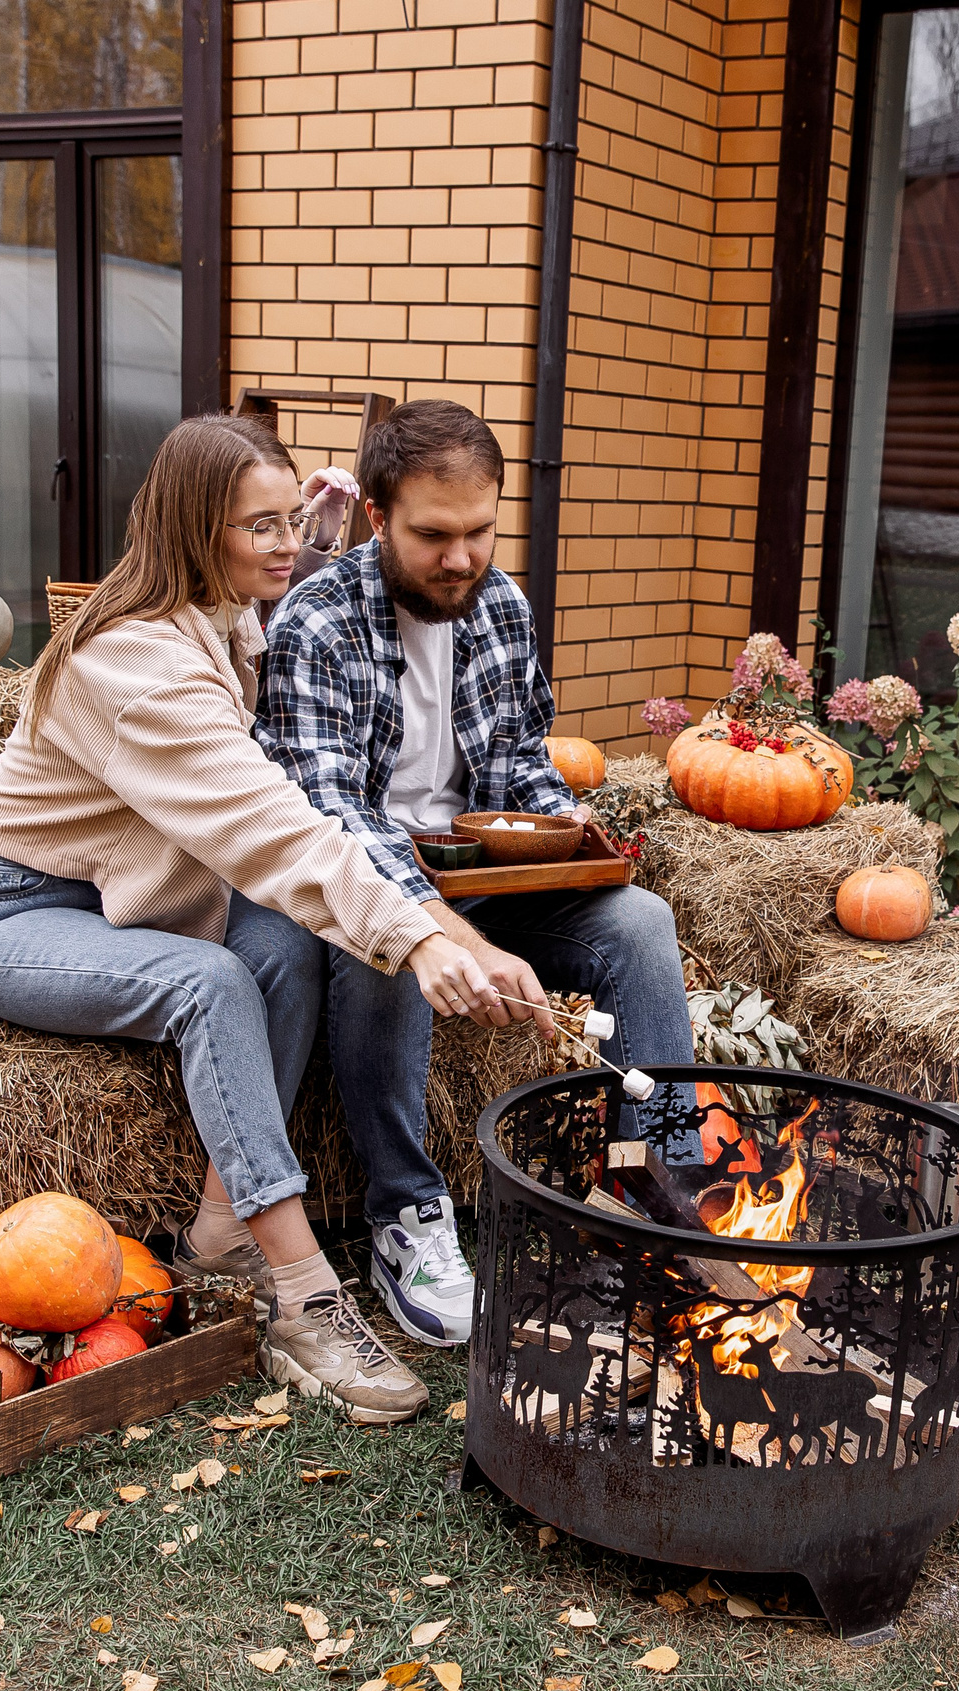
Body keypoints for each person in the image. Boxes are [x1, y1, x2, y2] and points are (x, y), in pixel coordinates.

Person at [0, 412, 517, 1426]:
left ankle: (218, 1234)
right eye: (261, 526)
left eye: (294, 519)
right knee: (212, 982)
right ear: (195, 529)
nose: (289, 545)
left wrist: (308, 524)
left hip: (131, 892)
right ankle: (301, 1296)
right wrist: (422, 933)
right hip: (21, 913)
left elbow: (289, 562)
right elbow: (273, 832)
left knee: (287, 940)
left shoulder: (219, 607)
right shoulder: (139, 668)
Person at [261, 398, 695, 1350]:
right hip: (361, 882)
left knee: (640, 922)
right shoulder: (315, 625)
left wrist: (562, 824)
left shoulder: (500, 604)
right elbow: (333, 822)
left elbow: (519, 761)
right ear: (377, 516)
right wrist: (435, 929)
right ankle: (407, 1214)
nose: (461, 558)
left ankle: (662, 1187)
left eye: (480, 531)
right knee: (382, 942)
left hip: (479, 875)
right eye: (433, 536)